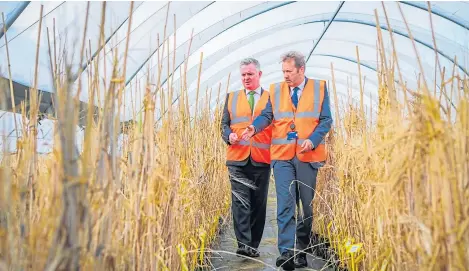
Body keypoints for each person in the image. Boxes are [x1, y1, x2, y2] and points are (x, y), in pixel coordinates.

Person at [241, 51, 332, 270]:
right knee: (285, 205)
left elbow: (326, 119)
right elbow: (267, 115)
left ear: (301, 70)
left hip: (307, 156)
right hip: (282, 157)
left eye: (289, 71)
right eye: (283, 71)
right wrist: (254, 127)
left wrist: (312, 140)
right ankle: (286, 253)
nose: (285, 76)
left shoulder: (319, 88)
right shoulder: (276, 90)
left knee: (307, 209)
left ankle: (301, 251)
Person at [220, 57, 272, 258]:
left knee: (258, 204)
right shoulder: (231, 97)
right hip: (237, 159)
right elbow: (224, 125)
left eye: (250, 74)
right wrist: (229, 135)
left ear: (259, 74)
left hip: (261, 158)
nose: (246, 78)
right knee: (241, 202)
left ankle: (253, 245)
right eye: (243, 75)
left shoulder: (270, 98)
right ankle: (243, 245)